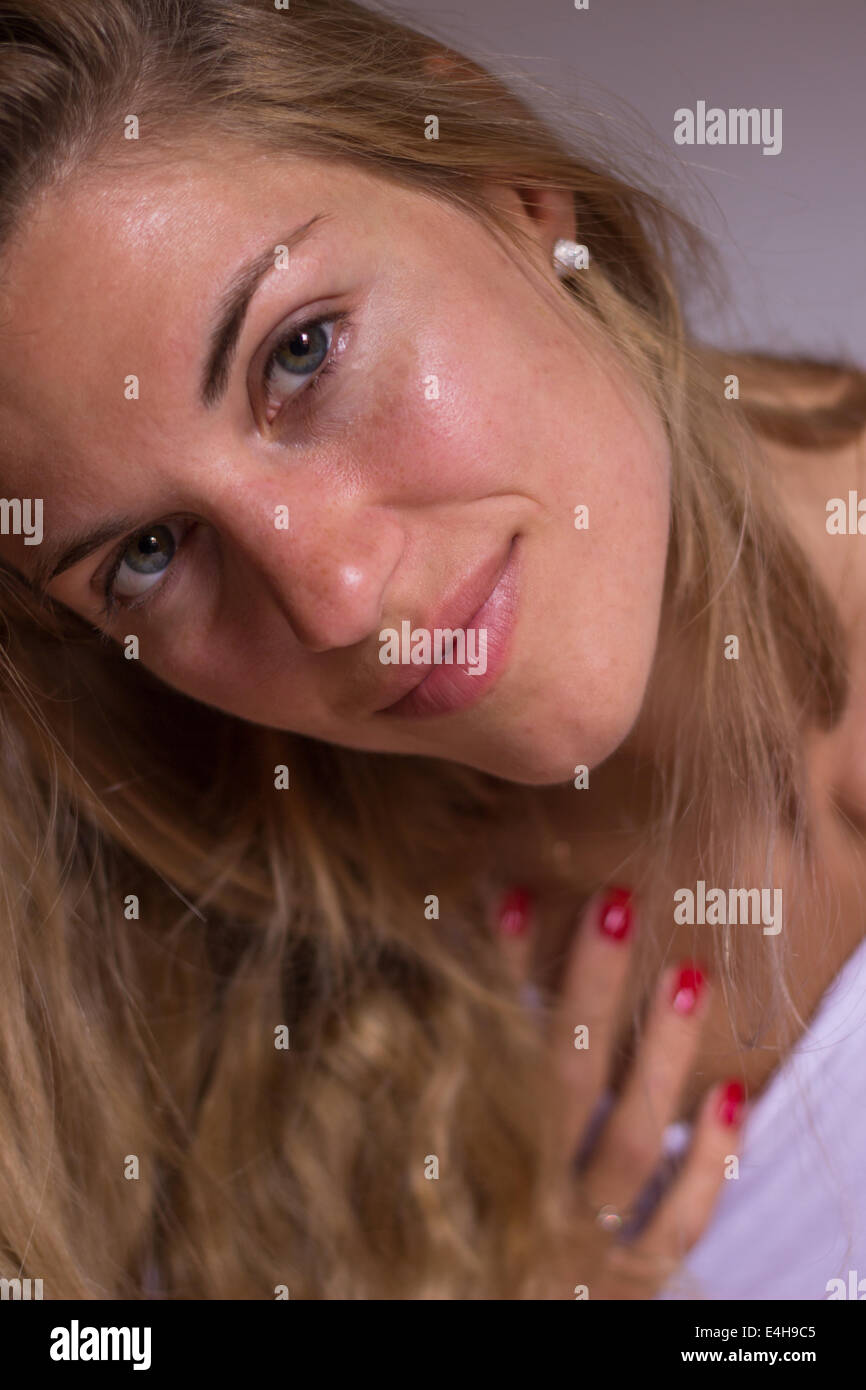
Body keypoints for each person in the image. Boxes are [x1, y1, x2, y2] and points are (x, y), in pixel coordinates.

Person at [0, 0, 863, 1300]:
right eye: (149, 553)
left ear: (510, 186)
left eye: (301, 352)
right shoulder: (176, 938)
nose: (335, 600)